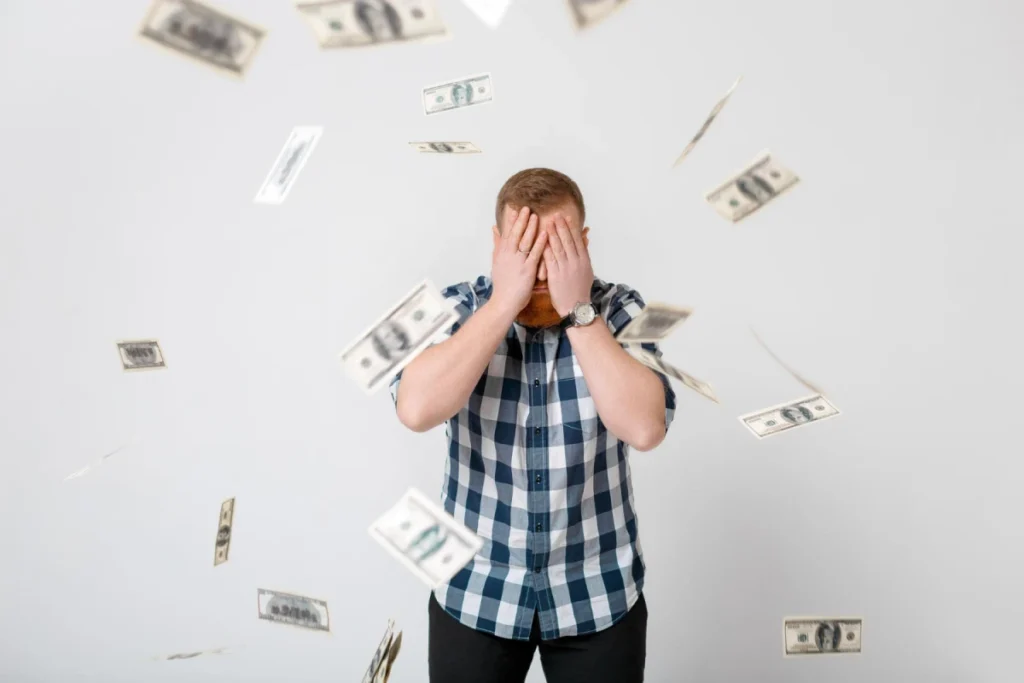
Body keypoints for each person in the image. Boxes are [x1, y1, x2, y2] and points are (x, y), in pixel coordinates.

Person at [389, 168, 677, 683]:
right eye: (524, 247)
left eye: (558, 246)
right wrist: (503, 302)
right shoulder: (456, 306)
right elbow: (415, 409)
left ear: (583, 243)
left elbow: (645, 428)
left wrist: (579, 312)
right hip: (475, 592)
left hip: (598, 593)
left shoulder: (622, 309)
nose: (540, 269)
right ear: (497, 244)